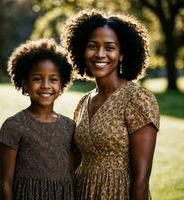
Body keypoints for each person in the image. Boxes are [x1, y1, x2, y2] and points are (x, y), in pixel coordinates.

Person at [61, 10, 160, 200]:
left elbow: (141, 179)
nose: (100, 54)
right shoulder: (83, 102)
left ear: (122, 53)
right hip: (83, 192)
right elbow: (73, 162)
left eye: (109, 47)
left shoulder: (138, 99)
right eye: (92, 46)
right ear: (82, 50)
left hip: (119, 193)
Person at [0, 39, 75, 200]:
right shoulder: (14, 126)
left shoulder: (70, 126)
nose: (46, 85)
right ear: (24, 83)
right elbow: (5, 183)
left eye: (53, 79)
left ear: (61, 85)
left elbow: (72, 174)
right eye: (37, 79)